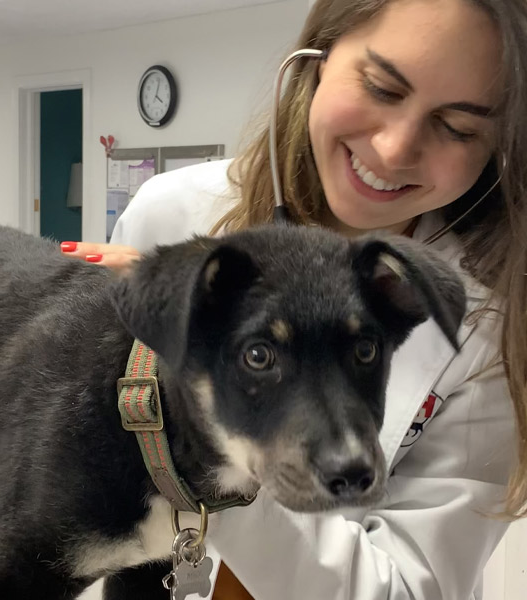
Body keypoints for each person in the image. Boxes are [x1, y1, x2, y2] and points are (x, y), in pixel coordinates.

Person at [63, 0, 527, 597]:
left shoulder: (484, 331)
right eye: (382, 88)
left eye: (458, 127)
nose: (392, 149)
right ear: (317, 59)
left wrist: (206, 457)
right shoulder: (171, 216)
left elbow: (411, 590)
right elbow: (92, 464)